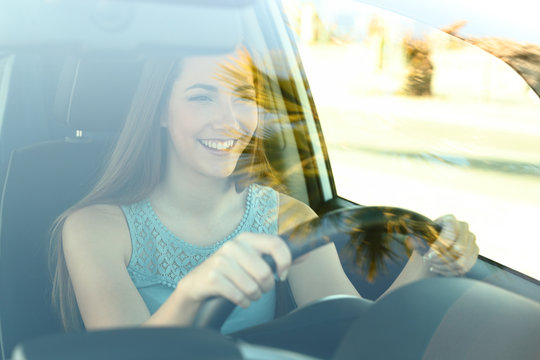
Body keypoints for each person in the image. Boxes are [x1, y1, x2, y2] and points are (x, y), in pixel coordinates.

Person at [50, 47, 479, 334]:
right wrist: (193, 293)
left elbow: (356, 335)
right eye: (202, 98)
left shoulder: (286, 217)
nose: (229, 120)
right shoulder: (93, 228)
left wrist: (428, 260)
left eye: (243, 96)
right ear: (161, 112)